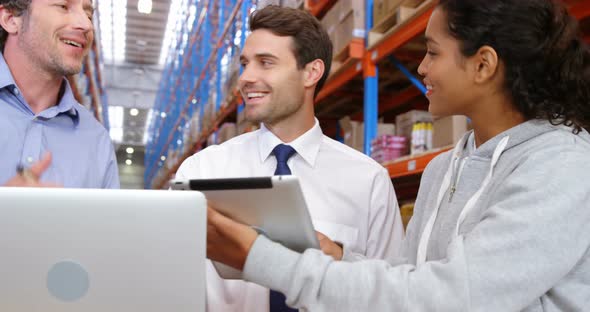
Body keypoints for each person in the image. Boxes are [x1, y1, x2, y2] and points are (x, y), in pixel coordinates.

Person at [206, 0, 590, 310]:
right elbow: (409, 280)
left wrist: (257, 256)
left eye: (433, 52)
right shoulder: (443, 168)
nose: (422, 67)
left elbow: (452, 299)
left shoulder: (562, 167)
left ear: (483, 65)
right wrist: (336, 258)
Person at [175, 5, 404, 312]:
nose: (246, 78)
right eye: (245, 64)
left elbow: (392, 292)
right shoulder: (200, 172)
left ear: (311, 72)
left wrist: (339, 258)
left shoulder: (368, 180)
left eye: (265, 63)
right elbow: (174, 281)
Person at [0, 0, 119, 188]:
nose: (86, 25)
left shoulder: (97, 142)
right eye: (64, 7)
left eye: (89, 15)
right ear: (11, 19)